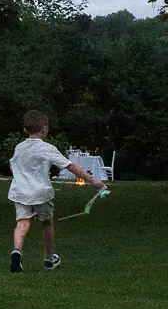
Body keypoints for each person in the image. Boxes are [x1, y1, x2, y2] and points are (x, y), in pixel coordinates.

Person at [9, 109, 104, 273]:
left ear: (25, 129)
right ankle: (49, 259)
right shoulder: (47, 148)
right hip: (41, 192)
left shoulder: (19, 148)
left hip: (20, 192)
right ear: (45, 129)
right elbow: (69, 165)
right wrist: (91, 179)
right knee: (47, 223)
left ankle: (17, 250)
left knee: (22, 223)